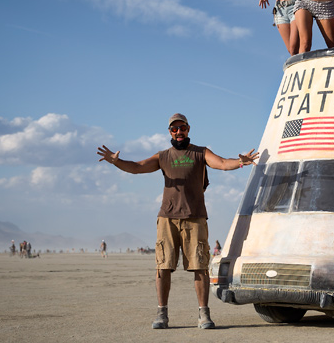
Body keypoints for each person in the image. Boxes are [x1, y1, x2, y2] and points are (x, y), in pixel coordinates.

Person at [97, 113, 258, 329]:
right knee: (163, 267)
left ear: (188, 129)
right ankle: (161, 314)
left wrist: (240, 162)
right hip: (168, 218)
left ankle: (203, 315)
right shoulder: (163, 156)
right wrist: (116, 162)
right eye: (174, 129)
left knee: (200, 267)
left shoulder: (200, 152)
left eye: (182, 128)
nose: (179, 132)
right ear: (170, 132)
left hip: (195, 217)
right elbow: (137, 167)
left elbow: (221, 163)